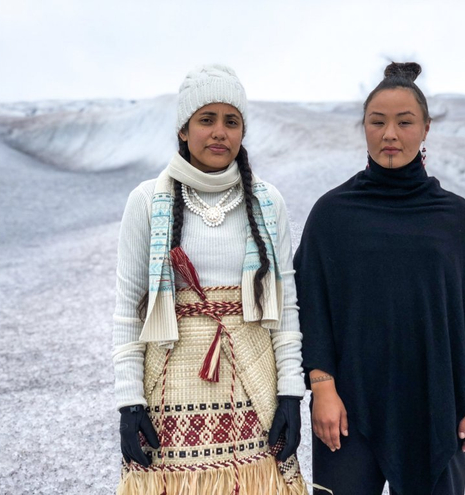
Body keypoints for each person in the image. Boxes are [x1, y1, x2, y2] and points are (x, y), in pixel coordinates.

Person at [294, 62, 465, 495]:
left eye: (404, 122)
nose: (390, 133)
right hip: (348, 410)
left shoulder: (453, 216)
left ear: (426, 128)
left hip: (435, 405)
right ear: (365, 128)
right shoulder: (332, 215)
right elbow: (309, 308)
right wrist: (323, 389)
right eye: (377, 122)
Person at [112, 64, 308, 495]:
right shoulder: (146, 201)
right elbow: (129, 307)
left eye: (231, 121)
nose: (220, 132)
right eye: (207, 119)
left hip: (257, 387)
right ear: (184, 130)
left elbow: (287, 304)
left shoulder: (268, 202)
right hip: (169, 393)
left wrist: (292, 394)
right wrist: (129, 402)